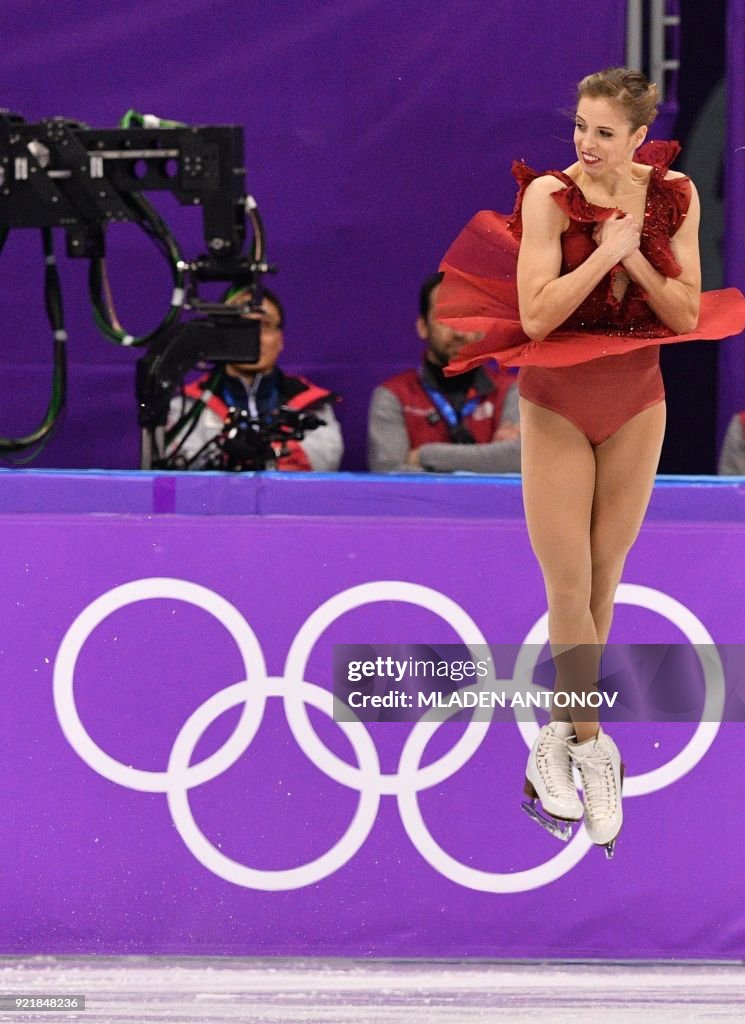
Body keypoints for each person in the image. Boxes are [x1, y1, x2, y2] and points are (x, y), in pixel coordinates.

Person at [437, 67, 745, 856]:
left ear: (639, 136)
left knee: (606, 580)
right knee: (567, 584)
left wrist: (633, 255)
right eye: (579, 126)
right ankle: (594, 747)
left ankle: (552, 743)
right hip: (556, 401)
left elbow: (684, 310)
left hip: (639, 398)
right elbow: (537, 311)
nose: (586, 143)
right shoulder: (547, 195)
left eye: (604, 132)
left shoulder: (674, 192)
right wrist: (597, 253)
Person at [164, 286, 343, 472]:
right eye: (241, 326)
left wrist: (264, 454)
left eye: (264, 325)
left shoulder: (310, 401)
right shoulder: (189, 404)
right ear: (222, 336)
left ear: (280, 339)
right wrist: (224, 454)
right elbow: (178, 465)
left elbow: (325, 461)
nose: (254, 337)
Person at [367, 273, 521, 473]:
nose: (459, 333)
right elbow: (389, 475)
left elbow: (519, 460)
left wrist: (423, 456)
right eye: (447, 317)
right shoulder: (393, 396)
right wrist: (491, 459)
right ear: (423, 327)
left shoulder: (512, 390)